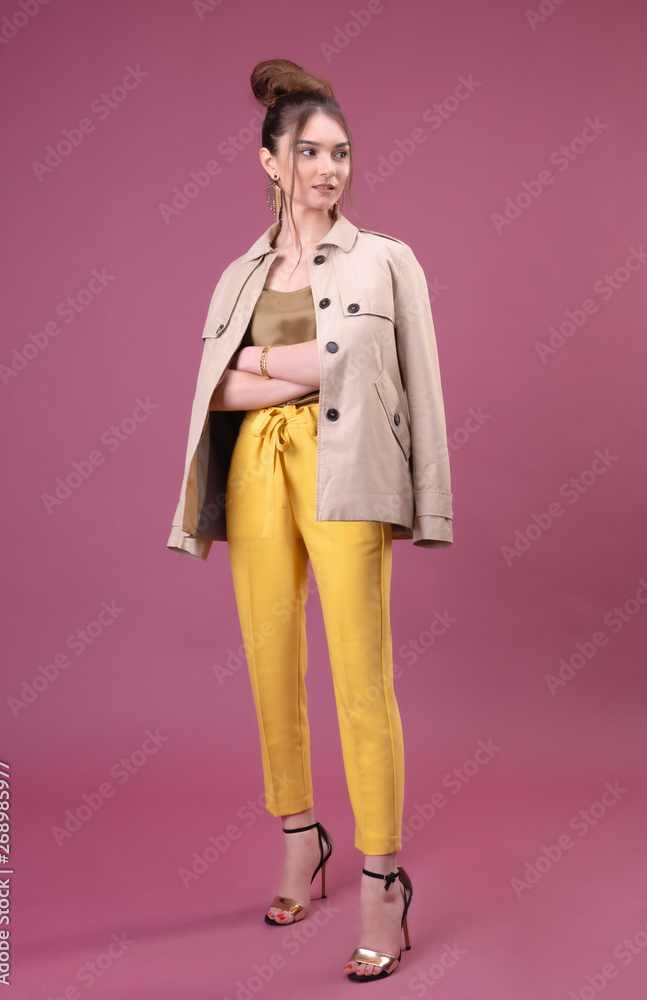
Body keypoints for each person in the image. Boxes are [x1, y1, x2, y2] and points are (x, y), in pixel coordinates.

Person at [166, 59, 453, 982]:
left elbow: (398, 377)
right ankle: (301, 839)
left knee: (362, 675)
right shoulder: (236, 276)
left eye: (341, 153)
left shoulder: (386, 260)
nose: (328, 169)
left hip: (349, 469)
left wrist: (266, 364)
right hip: (256, 467)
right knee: (269, 660)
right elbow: (213, 393)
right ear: (270, 161)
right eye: (310, 152)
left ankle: (381, 882)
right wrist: (293, 366)